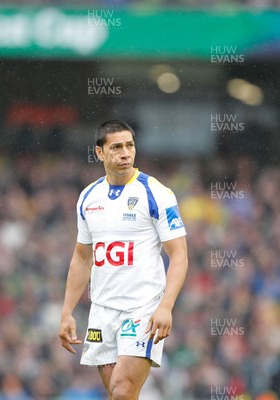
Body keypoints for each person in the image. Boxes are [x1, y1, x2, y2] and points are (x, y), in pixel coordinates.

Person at [59, 120, 189, 400]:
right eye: (116, 147)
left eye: (129, 146)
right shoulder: (88, 197)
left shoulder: (156, 193)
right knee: (118, 395)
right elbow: (82, 258)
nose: (125, 153)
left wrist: (166, 307)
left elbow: (179, 255)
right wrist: (67, 311)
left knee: (122, 389)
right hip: (102, 311)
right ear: (99, 153)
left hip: (141, 309)